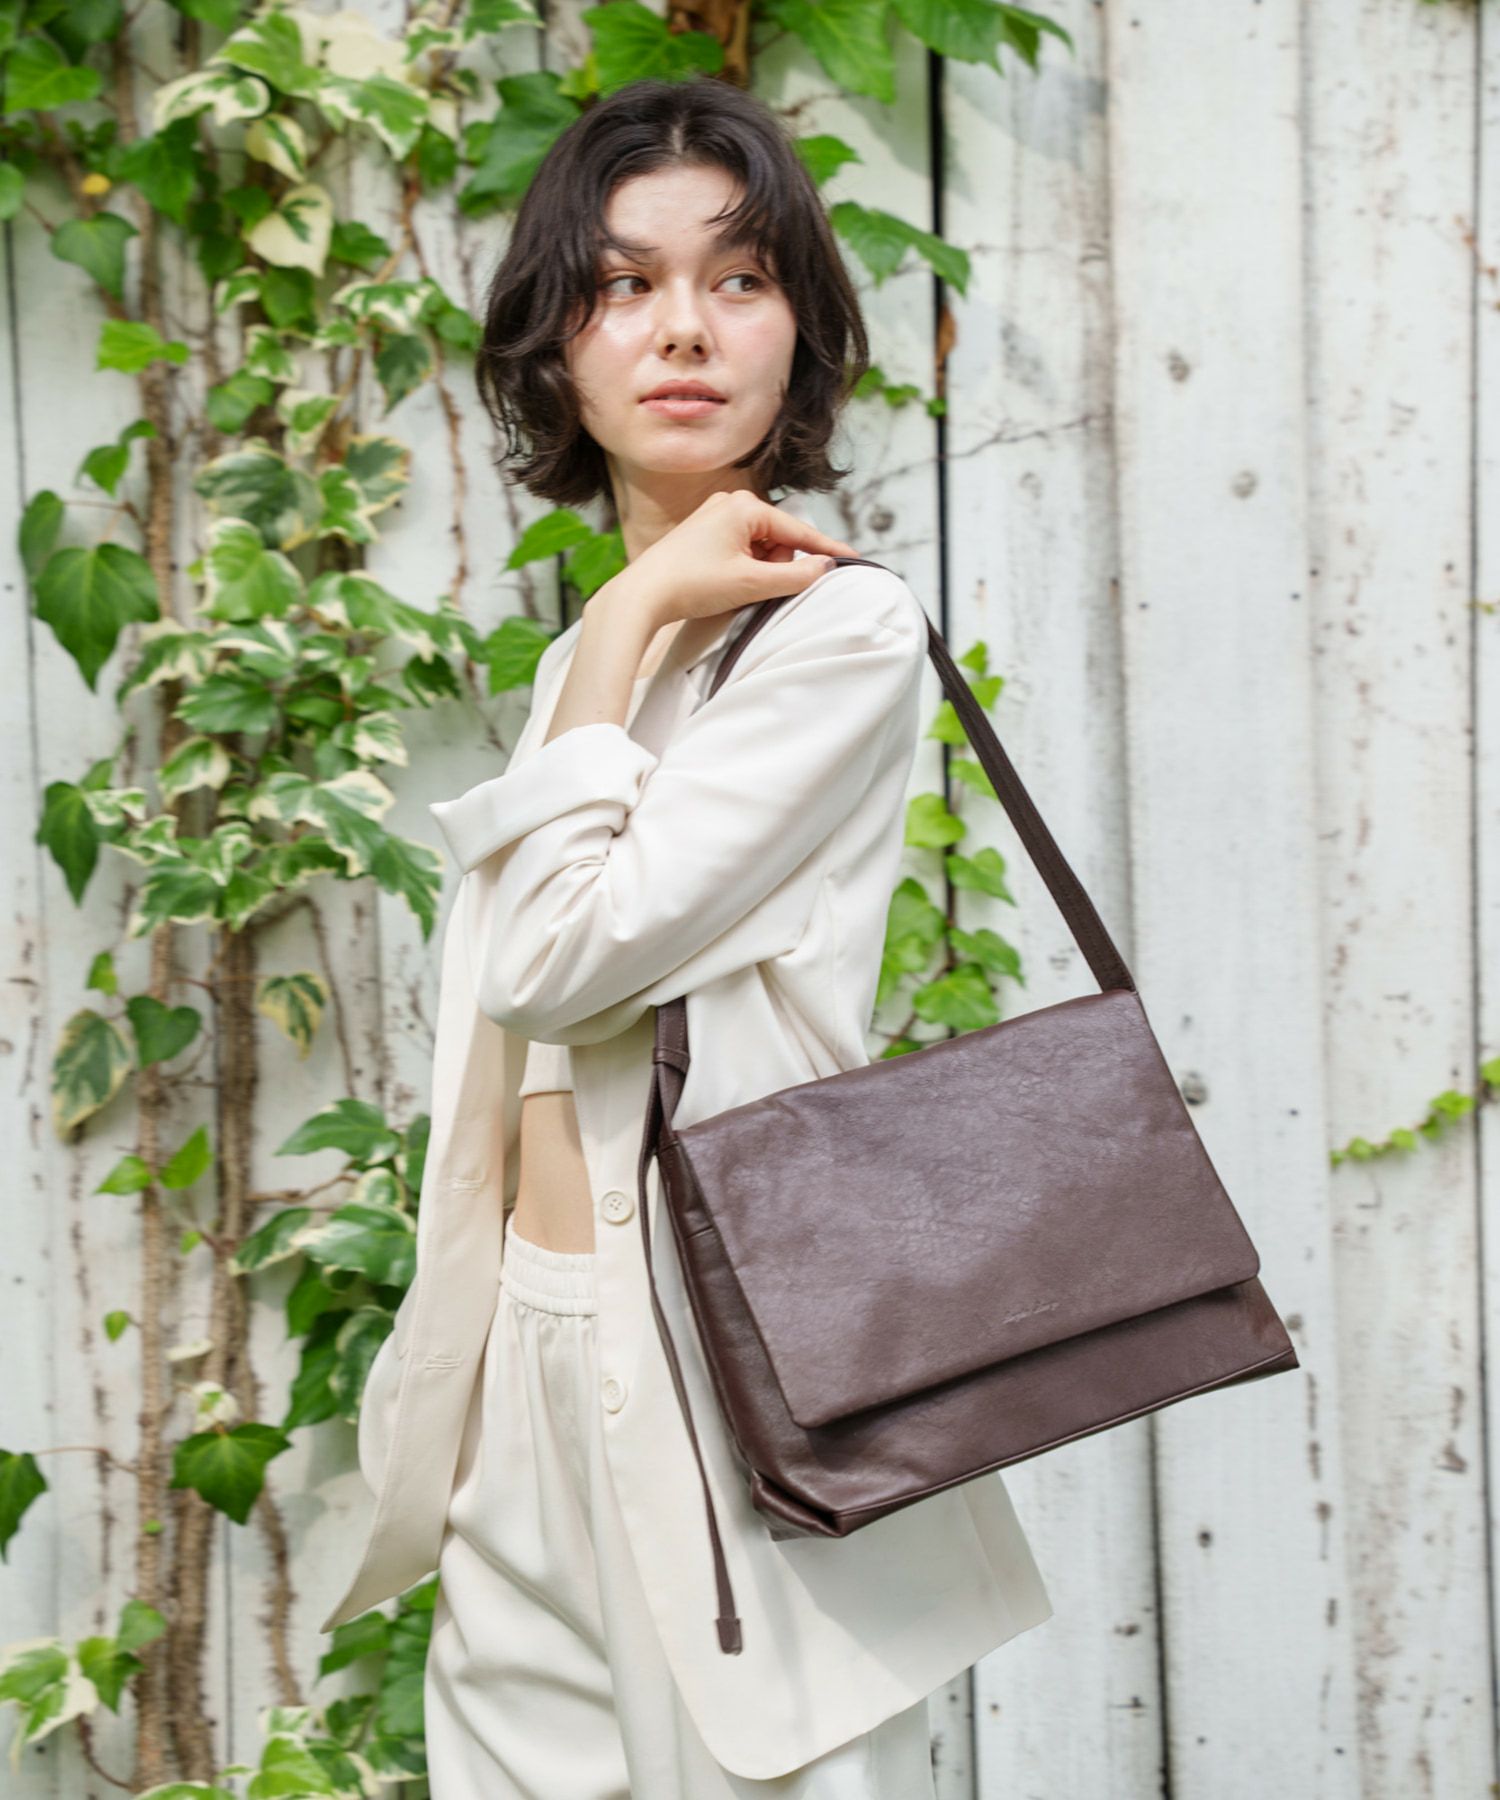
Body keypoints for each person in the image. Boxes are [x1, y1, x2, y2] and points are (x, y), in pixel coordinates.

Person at [330, 71, 1053, 1799]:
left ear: (801, 332)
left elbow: (556, 965)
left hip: (720, 1366)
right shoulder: (597, 655)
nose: (684, 330)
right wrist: (625, 619)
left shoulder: (838, 635)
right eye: (624, 283)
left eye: (740, 279)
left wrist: (635, 607)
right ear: (555, 342)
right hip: (524, 1360)